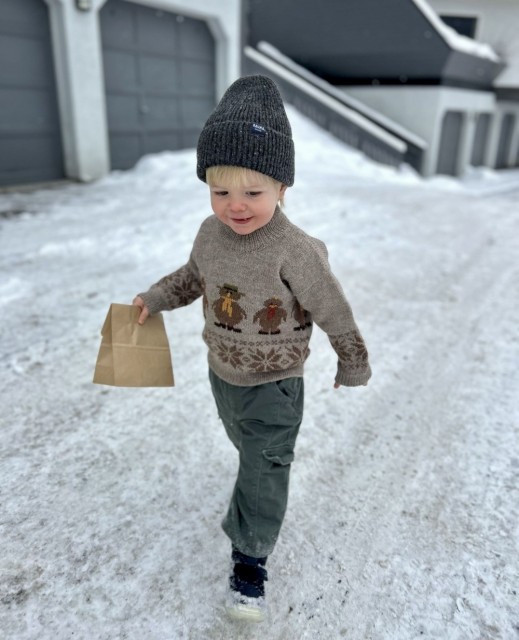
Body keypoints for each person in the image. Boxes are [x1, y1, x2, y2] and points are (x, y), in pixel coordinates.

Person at [133, 75, 371, 623]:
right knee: (247, 450)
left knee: (264, 467)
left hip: (275, 384)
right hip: (223, 373)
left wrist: (352, 358)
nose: (235, 206)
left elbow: (333, 309)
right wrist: (155, 298)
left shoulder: (296, 250)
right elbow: (193, 277)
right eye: (221, 193)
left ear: (282, 186)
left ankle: (250, 561)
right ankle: (253, 498)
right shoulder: (209, 234)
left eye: (253, 193)